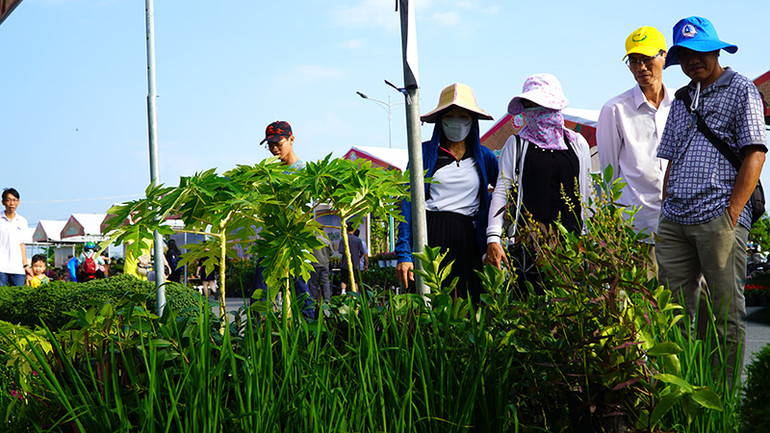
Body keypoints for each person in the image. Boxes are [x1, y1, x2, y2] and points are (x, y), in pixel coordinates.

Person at [655, 16, 767, 382]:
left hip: (718, 217)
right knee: (670, 312)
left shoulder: (741, 89)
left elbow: (755, 153)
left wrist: (732, 213)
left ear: (717, 49)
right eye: (685, 54)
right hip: (675, 219)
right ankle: (681, 391)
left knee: (724, 314)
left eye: (700, 51)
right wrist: (666, 205)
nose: (693, 60)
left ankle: (720, 402)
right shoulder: (682, 98)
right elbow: (670, 157)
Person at [485, 74, 593, 292]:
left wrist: (589, 237)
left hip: (570, 244)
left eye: (540, 104)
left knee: (570, 306)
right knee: (530, 306)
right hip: (529, 242)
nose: (534, 110)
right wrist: (493, 237)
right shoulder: (517, 144)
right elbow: (502, 191)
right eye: (529, 105)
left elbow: (586, 191)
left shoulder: (576, 143)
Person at [395, 83, 498, 301]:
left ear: (472, 121)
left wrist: (495, 237)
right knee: (430, 304)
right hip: (431, 235)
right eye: (451, 115)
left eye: (463, 116)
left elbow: (504, 192)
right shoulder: (423, 153)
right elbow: (407, 204)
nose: (457, 121)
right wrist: (404, 254)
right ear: (441, 120)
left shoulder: (485, 157)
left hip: (469, 238)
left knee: (469, 305)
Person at [597, 26, 673, 272]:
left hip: (683, 222)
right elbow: (610, 175)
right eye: (633, 61)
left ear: (664, 56)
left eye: (646, 59)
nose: (640, 67)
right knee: (647, 301)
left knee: (695, 297)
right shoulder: (614, 109)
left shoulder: (681, 104)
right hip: (638, 227)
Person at [252, 120, 314, 315]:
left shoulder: (304, 172)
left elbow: (307, 212)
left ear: (291, 139)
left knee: (303, 298)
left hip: (295, 245)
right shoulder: (268, 173)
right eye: (270, 145)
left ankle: (311, 340)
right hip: (272, 244)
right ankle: (257, 339)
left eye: (278, 144)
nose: (274, 149)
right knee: (260, 297)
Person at [0, 188, 30, 286]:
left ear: (18, 202)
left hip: (17, 268)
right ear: (3, 202)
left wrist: (25, 265)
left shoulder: (22, 221)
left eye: (14, 200)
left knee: (18, 297)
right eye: (8, 200)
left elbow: (22, 244)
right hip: (1, 267)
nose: (11, 203)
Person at [339, 223, 367, 295]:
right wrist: (359, 258)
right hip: (355, 263)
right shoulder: (358, 240)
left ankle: (343, 291)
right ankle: (354, 294)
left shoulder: (343, 239)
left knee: (344, 279)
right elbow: (362, 252)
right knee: (355, 280)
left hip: (345, 262)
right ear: (353, 229)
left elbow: (341, 251)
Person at [308, 232, 333, 302]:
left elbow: (309, 252)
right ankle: (327, 300)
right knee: (325, 282)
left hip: (315, 264)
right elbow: (331, 252)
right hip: (325, 264)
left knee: (313, 282)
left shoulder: (312, 241)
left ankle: (314, 299)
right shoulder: (326, 241)